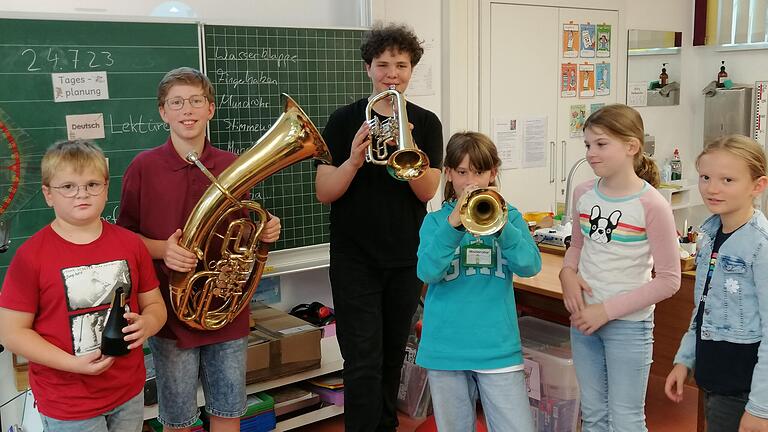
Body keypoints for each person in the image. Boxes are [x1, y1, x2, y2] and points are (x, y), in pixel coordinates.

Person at [117, 67, 281, 432]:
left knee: (229, 409)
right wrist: (163, 250)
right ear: (163, 112)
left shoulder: (231, 166)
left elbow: (246, 230)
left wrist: (265, 230)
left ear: (211, 109)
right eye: (176, 103)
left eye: (195, 101)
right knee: (178, 418)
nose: (186, 110)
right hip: (168, 313)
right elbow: (123, 238)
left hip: (225, 310)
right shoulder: (142, 167)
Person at [314, 23, 443, 431]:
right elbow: (324, 192)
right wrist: (352, 160)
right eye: (383, 64)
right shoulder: (343, 120)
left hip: (406, 256)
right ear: (368, 67)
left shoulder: (426, 122)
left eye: (401, 65)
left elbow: (427, 192)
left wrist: (408, 146)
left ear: (411, 70)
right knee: (361, 357)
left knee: (391, 354)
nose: (392, 73)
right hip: (354, 257)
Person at [0, 140, 166, 432]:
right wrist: (71, 363)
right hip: (68, 401)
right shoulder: (31, 256)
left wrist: (149, 323)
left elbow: (155, 305)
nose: (81, 194)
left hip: (127, 390)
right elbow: (11, 333)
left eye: (92, 184)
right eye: (68, 187)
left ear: (105, 188)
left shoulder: (131, 244)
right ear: (48, 194)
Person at [559, 104, 680, 432]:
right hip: (583, 321)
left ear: (631, 147)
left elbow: (669, 280)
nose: (591, 153)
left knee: (625, 420)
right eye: (587, 145)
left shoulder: (651, 204)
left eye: (601, 144)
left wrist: (606, 311)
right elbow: (578, 247)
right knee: (594, 415)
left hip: (629, 326)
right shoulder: (583, 193)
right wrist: (567, 275)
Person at [416, 131, 541, 432]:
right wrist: (453, 226)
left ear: (493, 172)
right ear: (448, 173)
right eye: (461, 172)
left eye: (479, 171)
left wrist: (500, 228)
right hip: (446, 349)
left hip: (497, 347)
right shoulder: (435, 222)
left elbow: (530, 265)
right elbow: (427, 272)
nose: (470, 181)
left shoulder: (509, 218)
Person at [665, 135, 768, 432]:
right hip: (714, 378)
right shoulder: (710, 234)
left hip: (744, 388)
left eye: (727, 180)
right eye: (706, 177)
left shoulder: (760, 247)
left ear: (757, 186)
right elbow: (703, 307)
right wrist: (685, 360)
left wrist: (760, 408)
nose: (712, 188)